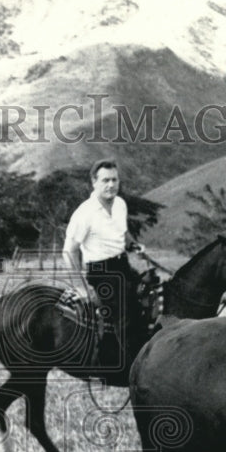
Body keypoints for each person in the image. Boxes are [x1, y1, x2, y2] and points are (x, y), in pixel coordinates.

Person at [63, 159, 146, 372]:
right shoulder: (85, 213)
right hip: (100, 272)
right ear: (94, 182)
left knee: (150, 295)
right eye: (105, 180)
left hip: (122, 265)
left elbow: (121, 232)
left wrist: (133, 245)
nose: (111, 185)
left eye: (114, 180)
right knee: (126, 312)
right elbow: (69, 251)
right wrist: (81, 287)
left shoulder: (120, 204)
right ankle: (130, 369)